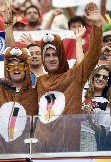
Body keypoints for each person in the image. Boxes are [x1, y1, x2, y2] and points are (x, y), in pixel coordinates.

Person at [34, 2, 103, 152]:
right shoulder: (40, 81)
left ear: (61, 56)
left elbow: (92, 57)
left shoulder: (74, 76)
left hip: (68, 148)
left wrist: (97, 26)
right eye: (47, 55)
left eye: (54, 54)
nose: (51, 59)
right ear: (43, 59)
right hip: (42, 149)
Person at [82, 65, 111, 151]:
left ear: (107, 83)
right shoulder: (81, 94)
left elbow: (102, 134)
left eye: (105, 77)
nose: (100, 78)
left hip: (87, 141)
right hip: (71, 136)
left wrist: (92, 122)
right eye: (98, 75)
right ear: (93, 78)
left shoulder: (107, 105)